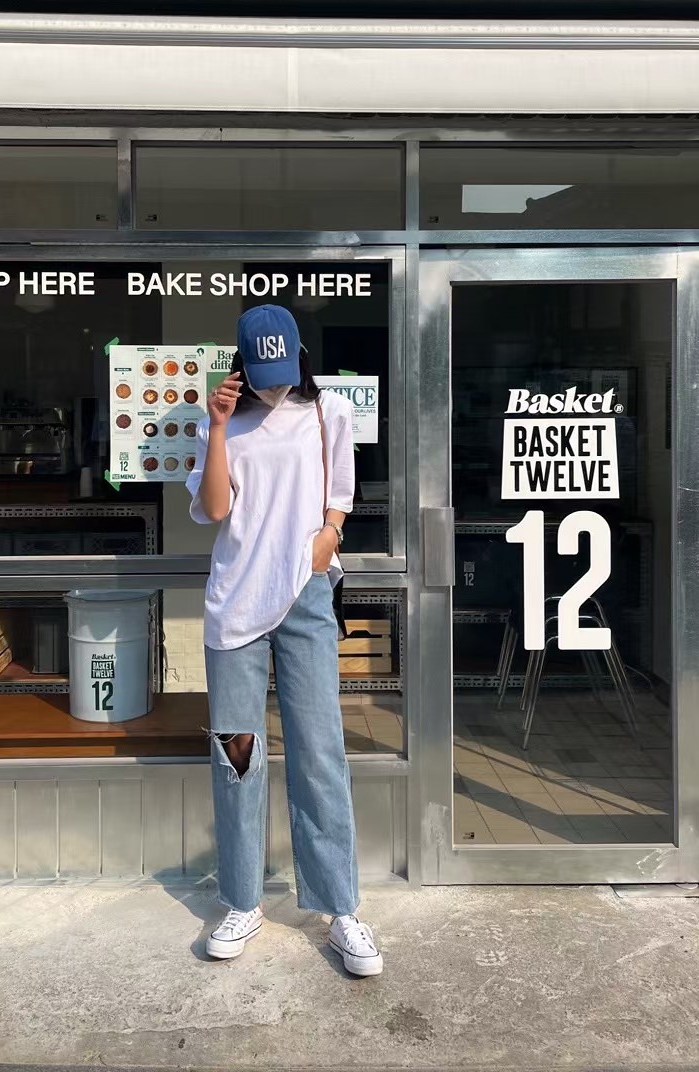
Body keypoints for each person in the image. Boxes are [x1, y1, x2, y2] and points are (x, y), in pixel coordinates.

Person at [185, 304, 383, 977]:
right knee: (237, 756)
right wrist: (216, 426)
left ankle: (340, 907)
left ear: (300, 356)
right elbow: (216, 509)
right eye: (260, 370)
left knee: (320, 750)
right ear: (241, 365)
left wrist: (328, 537)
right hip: (235, 606)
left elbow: (342, 493)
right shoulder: (223, 423)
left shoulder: (329, 412)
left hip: (304, 594)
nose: (274, 383)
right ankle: (242, 900)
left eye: (283, 367)